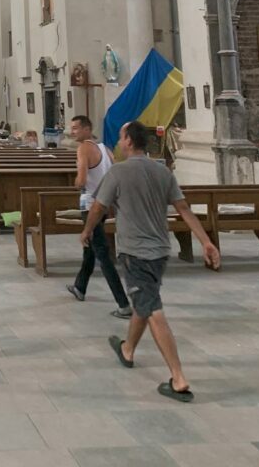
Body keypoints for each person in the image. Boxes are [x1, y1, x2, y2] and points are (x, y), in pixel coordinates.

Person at [80, 119, 221, 402]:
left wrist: (87, 231)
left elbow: (98, 207)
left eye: (121, 137)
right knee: (144, 302)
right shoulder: (162, 171)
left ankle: (178, 378)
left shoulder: (118, 172)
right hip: (159, 252)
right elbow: (184, 208)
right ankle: (128, 349)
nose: (118, 142)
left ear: (129, 141)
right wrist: (206, 241)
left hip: (136, 253)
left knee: (153, 309)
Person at [65, 115, 131, 318]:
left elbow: (82, 179)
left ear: (87, 129)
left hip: (90, 205)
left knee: (102, 253)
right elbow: (114, 174)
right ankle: (80, 287)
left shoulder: (83, 148)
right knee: (90, 248)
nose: (72, 132)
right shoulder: (105, 149)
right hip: (103, 203)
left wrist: (77, 182)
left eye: (76, 128)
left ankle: (123, 304)